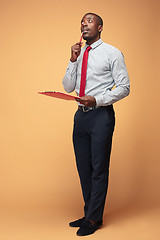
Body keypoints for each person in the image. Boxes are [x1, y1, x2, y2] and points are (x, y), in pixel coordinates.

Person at [62, 12, 130, 236]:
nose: (84, 24)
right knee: (84, 169)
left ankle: (93, 218)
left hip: (101, 115)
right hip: (80, 116)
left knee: (98, 168)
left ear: (100, 28)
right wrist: (72, 60)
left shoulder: (112, 53)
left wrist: (98, 99)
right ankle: (90, 211)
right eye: (82, 21)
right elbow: (68, 87)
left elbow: (124, 87)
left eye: (89, 21)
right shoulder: (79, 54)